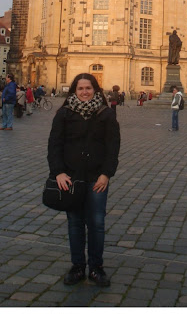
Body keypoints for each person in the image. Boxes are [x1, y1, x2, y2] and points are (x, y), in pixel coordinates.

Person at [47, 73, 120, 288]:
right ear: (74, 91)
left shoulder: (106, 114)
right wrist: (58, 172)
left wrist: (106, 174)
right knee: (75, 224)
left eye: (88, 88)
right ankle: (77, 266)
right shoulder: (64, 113)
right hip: (71, 178)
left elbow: (113, 147)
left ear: (95, 90)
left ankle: (96, 268)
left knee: (97, 224)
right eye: (80, 89)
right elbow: (54, 145)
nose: (85, 92)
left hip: (97, 178)